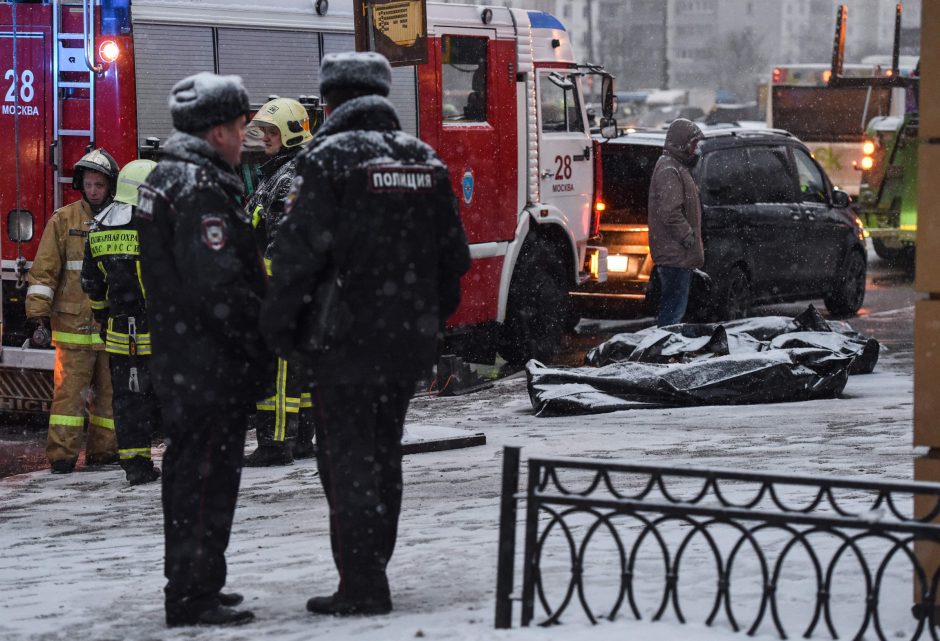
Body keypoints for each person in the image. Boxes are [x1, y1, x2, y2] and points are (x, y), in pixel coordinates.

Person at [261, 51, 471, 617]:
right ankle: (372, 563)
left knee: (345, 457)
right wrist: (425, 319)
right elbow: (453, 259)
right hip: (406, 342)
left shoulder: (326, 161)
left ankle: (362, 582)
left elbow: (295, 256)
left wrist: (282, 330)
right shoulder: (424, 161)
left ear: (329, 102)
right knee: (384, 451)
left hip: (343, 343)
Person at [135, 72, 273, 627]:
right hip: (208, 364)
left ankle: (199, 582)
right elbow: (218, 287)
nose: (245, 138)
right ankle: (192, 595)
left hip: (186, 357)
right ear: (217, 131)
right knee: (204, 480)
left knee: (195, 476)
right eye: (241, 127)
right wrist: (255, 345)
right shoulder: (198, 189)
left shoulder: (171, 178)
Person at [27, 150, 120, 474]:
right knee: (69, 398)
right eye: (89, 184)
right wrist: (37, 314)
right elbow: (44, 272)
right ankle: (62, 457)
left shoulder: (121, 219)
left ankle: (104, 453)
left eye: (100, 184)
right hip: (73, 327)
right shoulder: (63, 220)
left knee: (109, 397)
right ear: (81, 185)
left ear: (111, 186)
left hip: (110, 329)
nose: (94, 190)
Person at [80, 159, 161, 486]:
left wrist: (103, 314)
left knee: (129, 400)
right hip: (158, 333)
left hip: (118, 333)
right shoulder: (152, 225)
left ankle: (136, 465)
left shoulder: (98, 226)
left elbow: (91, 283)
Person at [244, 97, 315, 467]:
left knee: (279, 369)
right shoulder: (280, 173)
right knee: (296, 369)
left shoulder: (291, 176)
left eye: (271, 132)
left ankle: (274, 444)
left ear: (289, 133)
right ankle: (301, 438)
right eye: (262, 132)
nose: (264, 139)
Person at [647, 118, 705, 326]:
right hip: (674, 256)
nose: (695, 149)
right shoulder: (669, 169)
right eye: (693, 144)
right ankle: (665, 350)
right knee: (672, 314)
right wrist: (686, 235)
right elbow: (670, 211)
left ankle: (669, 348)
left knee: (674, 310)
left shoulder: (677, 167)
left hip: (678, 257)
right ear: (681, 144)